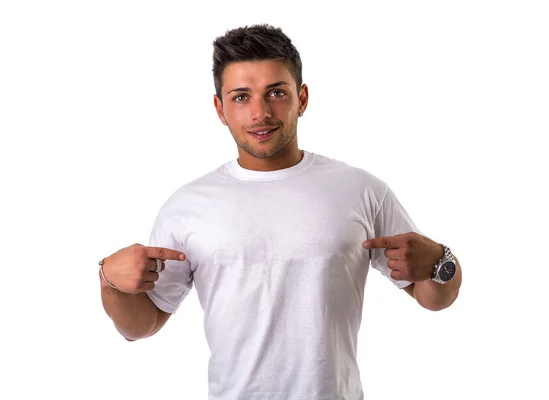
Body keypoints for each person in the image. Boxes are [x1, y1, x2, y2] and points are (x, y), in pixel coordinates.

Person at [98, 23, 462, 400]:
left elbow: (434, 296)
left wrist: (441, 261)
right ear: (219, 109)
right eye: (241, 97)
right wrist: (109, 282)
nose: (260, 112)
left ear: (301, 99)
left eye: (276, 93)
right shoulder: (187, 205)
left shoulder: (360, 190)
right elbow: (142, 325)